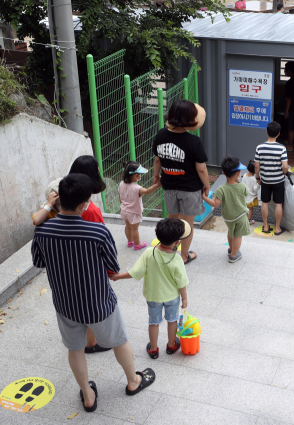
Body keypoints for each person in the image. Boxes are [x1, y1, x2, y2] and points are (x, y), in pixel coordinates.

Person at [31, 174, 155, 412]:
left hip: (65, 304)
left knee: (75, 348)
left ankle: (88, 396)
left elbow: (39, 262)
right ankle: (133, 381)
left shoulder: (42, 231)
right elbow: (112, 267)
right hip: (98, 302)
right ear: (82, 204)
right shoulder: (97, 232)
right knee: (119, 340)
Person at [33, 155, 111, 354]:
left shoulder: (49, 221)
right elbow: (104, 245)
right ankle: (92, 342)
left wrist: (48, 206)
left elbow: (38, 260)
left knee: (74, 320)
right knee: (92, 310)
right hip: (88, 271)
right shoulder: (91, 211)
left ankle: (85, 346)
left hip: (63, 281)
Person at [109, 218, 190, 359]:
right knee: (172, 320)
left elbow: (135, 272)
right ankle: (171, 345)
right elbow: (181, 283)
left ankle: (153, 349)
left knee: (153, 322)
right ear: (176, 243)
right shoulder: (177, 259)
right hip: (172, 297)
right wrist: (184, 298)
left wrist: (118, 276)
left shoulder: (148, 253)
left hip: (153, 297)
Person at [153, 99, 208, 265]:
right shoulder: (194, 141)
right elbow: (202, 169)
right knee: (186, 224)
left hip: (169, 185)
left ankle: (168, 250)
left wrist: (156, 176)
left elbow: (157, 160)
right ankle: (184, 256)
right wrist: (206, 184)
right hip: (190, 188)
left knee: (171, 220)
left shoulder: (160, 135)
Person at [203, 157, 250, 263]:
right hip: (241, 215)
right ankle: (234, 255)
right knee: (238, 235)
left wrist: (205, 198)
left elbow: (215, 204)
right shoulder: (242, 186)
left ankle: (230, 249)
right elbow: (247, 194)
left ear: (223, 172)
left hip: (228, 217)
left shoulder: (221, 189)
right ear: (239, 174)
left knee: (230, 232)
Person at [254, 121, 289, 236]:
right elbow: (285, 166)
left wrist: (258, 177)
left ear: (266, 132)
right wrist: (284, 173)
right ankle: (278, 228)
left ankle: (265, 226)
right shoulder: (282, 148)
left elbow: (256, 165)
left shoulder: (259, 147)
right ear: (278, 134)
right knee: (278, 204)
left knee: (265, 202)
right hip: (278, 180)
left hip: (265, 180)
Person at [119, 161, 161, 250]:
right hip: (134, 212)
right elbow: (147, 191)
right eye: (139, 174)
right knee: (134, 229)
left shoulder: (121, 183)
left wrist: (124, 205)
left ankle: (130, 242)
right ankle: (138, 244)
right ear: (134, 176)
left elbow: (120, 197)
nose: (140, 176)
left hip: (124, 210)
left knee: (127, 226)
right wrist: (156, 185)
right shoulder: (136, 188)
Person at [242, 160, 259, 225]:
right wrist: (259, 184)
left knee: (244, 209)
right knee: (250, 210)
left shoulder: (244, 175)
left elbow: (242, 184)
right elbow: (255, 189)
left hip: (245, 196)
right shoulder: (253, 179)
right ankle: (249, 221)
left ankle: (243, 219)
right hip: (251, 197)